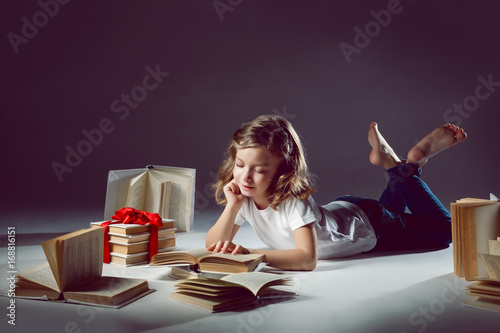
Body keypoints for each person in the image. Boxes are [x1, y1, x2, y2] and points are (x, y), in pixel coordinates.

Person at [205, 115, 467, 271]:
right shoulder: (245, 193)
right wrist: (232, 206)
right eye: (240, 165)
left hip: (372, 225)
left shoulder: (293, 199)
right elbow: (213, 246)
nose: (245, 176)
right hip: (349, 211)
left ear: (283, 170)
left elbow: (307, 259)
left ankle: (402, 167)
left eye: (259, 169)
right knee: (398, 212)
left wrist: (251, 254)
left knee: (446, 232)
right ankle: (402, 167)